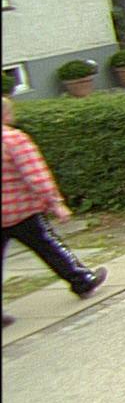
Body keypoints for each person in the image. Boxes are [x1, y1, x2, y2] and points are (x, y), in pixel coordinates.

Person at [2, 96, 106, 325]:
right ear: (6, 115)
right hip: (20, 210)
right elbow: (35, 175)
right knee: (48, 246)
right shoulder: (13, 140)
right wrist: (55, 203)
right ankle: (82, 281)